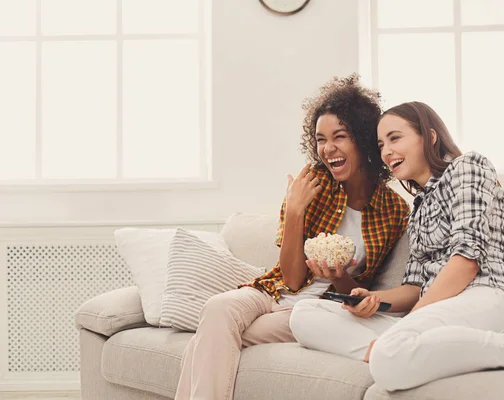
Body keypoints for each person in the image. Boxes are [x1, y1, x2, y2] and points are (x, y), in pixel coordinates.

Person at [289, 101, 504, 391]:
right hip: (437, 311)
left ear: (430, 137)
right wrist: (374, 299)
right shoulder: (418, 209)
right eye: (381, 145)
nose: (386, 152)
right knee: (304, 314)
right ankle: (407, 351)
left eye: (395, 138)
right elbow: (414, 287)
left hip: (483, 299)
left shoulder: (468, 167)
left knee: (389, 360)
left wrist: (411, 322)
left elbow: (466, 262)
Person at [174, 74, 410, 399]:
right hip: (272, 290)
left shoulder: (392, 209)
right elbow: (290, 275)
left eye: (339, 137)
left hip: (314, 309)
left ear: (364, 139)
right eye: (320, 139)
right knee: (218, 309)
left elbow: (351, 292)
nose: (328, 149)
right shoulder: (311, 181)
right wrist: (296, 209)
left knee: (211, 337)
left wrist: (339, 275)